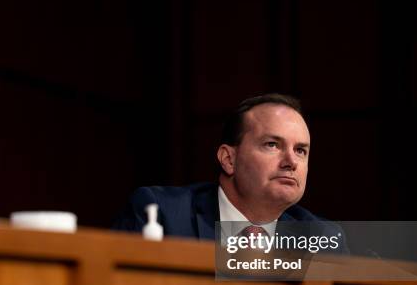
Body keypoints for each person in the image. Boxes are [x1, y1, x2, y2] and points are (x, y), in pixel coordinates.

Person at [113, 93, 338, 244]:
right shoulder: (163, 216)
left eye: (301, 150)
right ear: (228, 159)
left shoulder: (322, 237)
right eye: (272, 145)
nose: (291, 161)